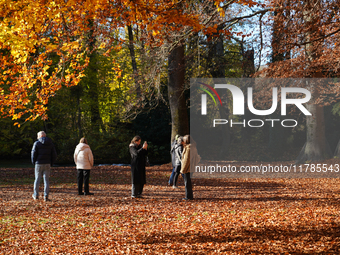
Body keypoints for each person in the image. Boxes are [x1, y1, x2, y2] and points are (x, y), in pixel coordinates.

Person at [31, 131, 57, 201]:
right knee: (46, 180)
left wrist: (34, 162)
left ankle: (36, 195)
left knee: (37, 179)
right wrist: (51, 163)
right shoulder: (50, 143)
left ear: (39, 136)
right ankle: (46, 196)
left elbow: (33, 154)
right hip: (47, 163)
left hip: (39, 163)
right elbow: (54, 155)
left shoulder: (36, 143)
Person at [180, 135, 200, 200]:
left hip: (188, 168)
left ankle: (188, 196)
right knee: (188, 182)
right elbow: (197, 157)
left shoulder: (188, 148)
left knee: (187, 183)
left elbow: (186, 160)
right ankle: (189, 196)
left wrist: (183, 170)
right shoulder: (193, 147)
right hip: (191, 167)